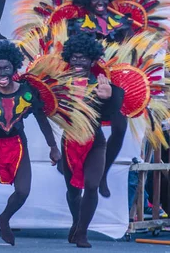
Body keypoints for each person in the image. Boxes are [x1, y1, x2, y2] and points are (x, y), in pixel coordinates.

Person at [0, 41, 61, 246]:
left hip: (18, 145)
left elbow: (42, 119)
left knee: (23, 191)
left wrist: (53, 147)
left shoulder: (27, 93)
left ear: (14, 68)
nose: (2, 73)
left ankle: (4, 218)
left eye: (6, 67)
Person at [60, 33, 125, 247]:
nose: (79, 61)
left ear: (92, 61)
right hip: (69, 142)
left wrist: (107, 97)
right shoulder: (58, 82)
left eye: (84, 58)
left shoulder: (101, 84)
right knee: (72, 191)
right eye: (75, 57)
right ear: (69, 58)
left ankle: (82, 232)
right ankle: (76, 221)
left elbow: (107, 117)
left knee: (91, 185)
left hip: (95, 142)